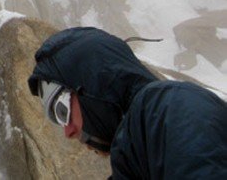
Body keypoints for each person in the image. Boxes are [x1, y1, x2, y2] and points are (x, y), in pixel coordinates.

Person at [27, 27, 227, 179]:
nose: (68, 132)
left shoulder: (173, 108)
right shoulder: (136, 152)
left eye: (62, 111)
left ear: (92, 85)